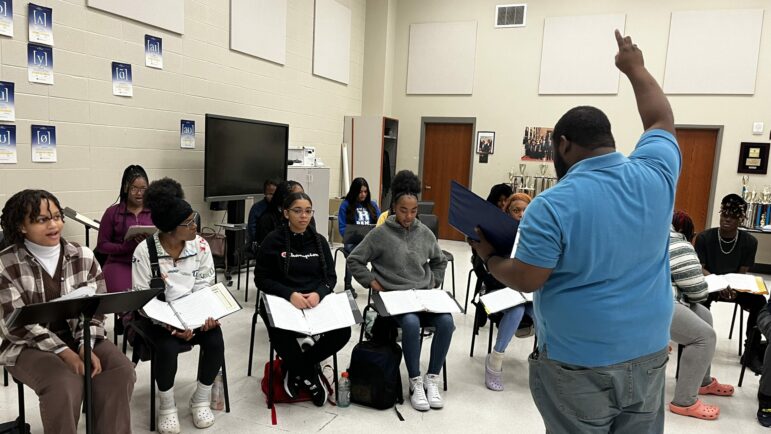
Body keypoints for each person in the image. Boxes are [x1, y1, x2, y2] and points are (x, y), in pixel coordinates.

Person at [471, 31, 679, 433]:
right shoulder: (656, 174)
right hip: (650, 352)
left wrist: (491, 258)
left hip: (579, 363)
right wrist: (634, 68)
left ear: (563, 145)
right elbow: (660, 119)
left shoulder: (552, 204)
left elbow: (529, 278)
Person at [0, 189, 135, 434]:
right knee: (63, 382)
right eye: (42, 220)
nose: (54, 224)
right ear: (21, 226)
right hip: (25, 344)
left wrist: (85, 345)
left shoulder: (82, 255)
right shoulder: (6, 264)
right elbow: (14, 323)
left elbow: (96, 307)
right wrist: (64, 352)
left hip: (81, 336)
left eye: (57, 216)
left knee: (120, 371)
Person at [347, 170, 451, 412]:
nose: (409, 216)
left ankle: (432, 378)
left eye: (414, 211)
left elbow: (440, 260)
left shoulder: (424, 232)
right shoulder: (380, 234)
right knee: (412, 324)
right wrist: (372, 282)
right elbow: (354, 260)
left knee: (446, 322)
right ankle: (414, 381)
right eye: (404, 210)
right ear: (394, 207)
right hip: (394, 299)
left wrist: (434, 281)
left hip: (422, 296)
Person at [132, 178, 223, 433]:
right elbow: (144, 301)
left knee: (215, 339)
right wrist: (172, 326)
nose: (195, 226)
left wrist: (203, 318)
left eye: (193, 219)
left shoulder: (201, 245)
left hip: (194, 312)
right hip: (157, 317)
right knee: (167, 346)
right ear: (171, 229)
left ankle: (201, 398)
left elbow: (206, 286)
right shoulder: (144, 252)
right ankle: (167, 406)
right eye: (189, 223)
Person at [254, 192, 346, 406]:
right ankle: (309, 375)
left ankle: (294, 367)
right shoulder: (273, 241)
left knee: (343, 331)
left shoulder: (319, 241)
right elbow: (261, 278)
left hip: (314, 301)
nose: (303, 216)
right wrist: (290, 294)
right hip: (284, 300)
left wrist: (318, 293)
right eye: (297, 211)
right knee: (278, 329)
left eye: (308, 211)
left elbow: (330, 278)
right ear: (286, 213)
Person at [669, 211, 733, 420]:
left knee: (704, 315)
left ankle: (702, 381)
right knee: (705, 337)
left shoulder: (656, 235)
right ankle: (684, 401)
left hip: (655, 298)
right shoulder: (680, 244)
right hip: (658, 303)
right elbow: (697, 292)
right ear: (689, 233)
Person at [694, 193, 764, 372]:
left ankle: (751, 351)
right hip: (710, 283)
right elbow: (700, 268)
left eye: (733, 217)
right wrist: (719, 283)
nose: (727, 219)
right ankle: (700, 343)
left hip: (734, 285)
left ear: (741, 219)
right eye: (724, 214)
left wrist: (733, 287)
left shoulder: (750, 242)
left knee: (759, 302)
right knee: (698, 299)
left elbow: (742, 272)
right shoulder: (704, 238)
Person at [473, 190, 534, 391]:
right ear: (508, 212)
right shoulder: (497, 234)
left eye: (525, 210)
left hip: (526, 293)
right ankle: (495, 360)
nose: (521, 215)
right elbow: (482, 268)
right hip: (498, 291)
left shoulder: (535, 235)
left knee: (541, 312)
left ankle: (543, 358)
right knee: (516, 310)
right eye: (516, 210)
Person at [97, 164, 153, 294]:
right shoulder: (112, 212)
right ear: (126, 188)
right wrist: (124, 247)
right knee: (125, 301)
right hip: (120, 263)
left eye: (143, 189)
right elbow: (102, 245)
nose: (139, 193)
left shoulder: (154, 211)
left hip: (149, 263)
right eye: (134, 188)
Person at [338, 177, 381, 297]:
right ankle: (348, 285)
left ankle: (377, 285)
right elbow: (342, 228)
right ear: (354, 191)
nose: (363, 194)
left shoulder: (372, 205)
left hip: (370, 240)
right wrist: (353, 235)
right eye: (360, 192)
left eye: (365, 192)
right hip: (353, 242)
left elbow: (380, 225)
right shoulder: (345, 205)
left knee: (382, 253)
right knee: (353, 255)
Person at [247, 178, 279, 247]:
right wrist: (255, 241)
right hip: (261, 243)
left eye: (274, 194)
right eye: (270, 194)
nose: (272, 197)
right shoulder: (256, 208)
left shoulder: (280, 207)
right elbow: (252, 227)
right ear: (265, 193)